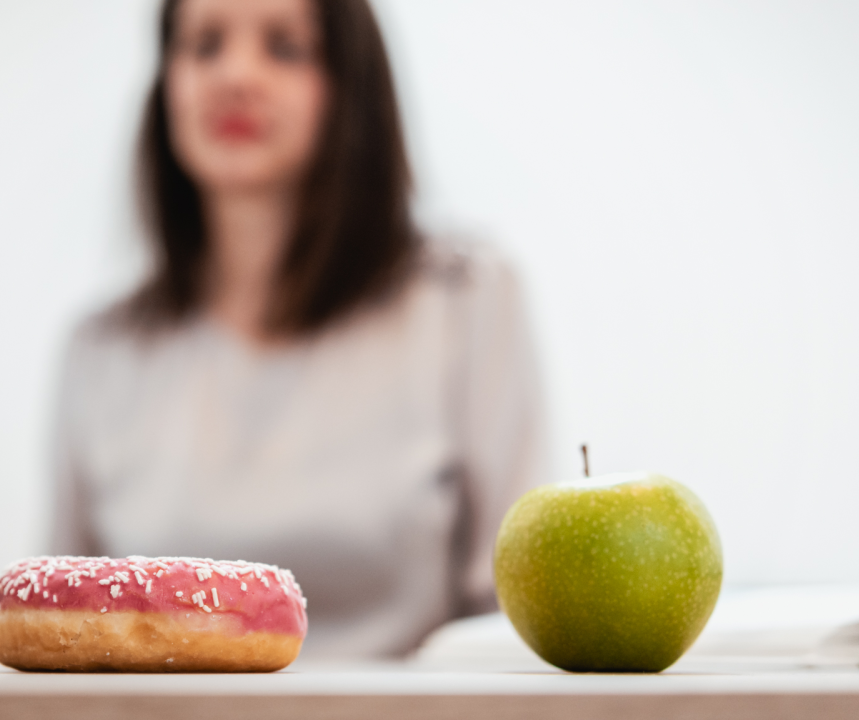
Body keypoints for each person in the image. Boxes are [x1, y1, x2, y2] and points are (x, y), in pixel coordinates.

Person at [50, 0, 544, 658]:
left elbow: (510, 610)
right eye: (203, 45)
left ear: (351, 85)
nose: (236, 76)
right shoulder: (101, 351)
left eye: (285, 47)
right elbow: (66, 627)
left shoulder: (465, 300)